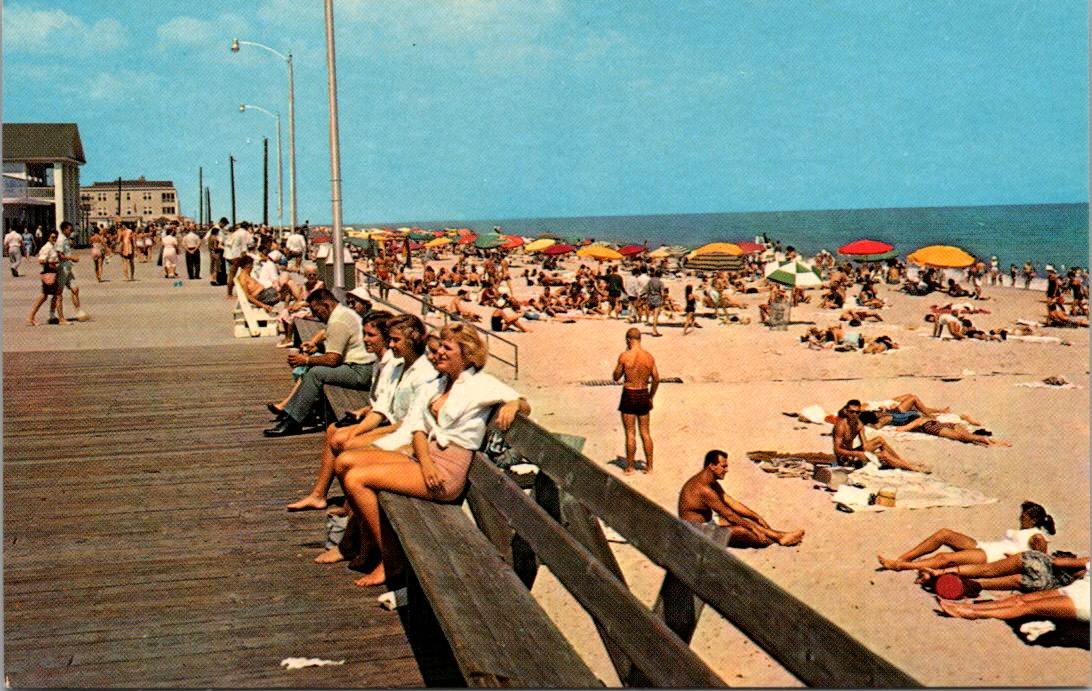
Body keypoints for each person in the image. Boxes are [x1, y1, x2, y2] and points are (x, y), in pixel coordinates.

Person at [336, 322, 530, 586]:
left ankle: (391, 560)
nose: (439, 353)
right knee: (345, 461)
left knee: (356, 479)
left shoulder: (481, 385)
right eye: (439, 348)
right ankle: (368, 544)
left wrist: (513, 403)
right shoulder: (439, 384)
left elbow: (523, 404)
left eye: (447, 349)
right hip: (426, 461)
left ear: (467, 354)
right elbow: (418, 428)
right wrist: (426, 464)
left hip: (447, 473)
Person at [287, 313, 438, 516]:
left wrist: (357, 434)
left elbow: (410, 422)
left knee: (345, 447)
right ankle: (330, 500)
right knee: (340, 436)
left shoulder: (424, 373)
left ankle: (350, 509)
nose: (391, 345)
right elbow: (382, 407)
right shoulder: (400, 366)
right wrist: (357, 432)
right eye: (390, 339)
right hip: (395, 427)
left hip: (406, 434)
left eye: (396, 340)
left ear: (413, 340)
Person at [264, 288, 375, 437]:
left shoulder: (338, 321)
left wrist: (306, 360)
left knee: (316, 373)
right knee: (315, 370)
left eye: (317, 311)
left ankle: (293, 421)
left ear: (326, 305)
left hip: (360, 371)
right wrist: (317, 347)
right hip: (360, 367)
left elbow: (333, 359)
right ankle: (294, 414)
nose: (316, 316)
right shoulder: (342, 313)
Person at [877, 501, 1056, 571]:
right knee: (944, 533)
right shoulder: (1027, 531)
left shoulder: (1037, 536)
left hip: (994, 557)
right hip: (986, 547)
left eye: (1023, 517)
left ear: (1033, 520)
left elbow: (1042, 562)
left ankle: (902, 566)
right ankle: (904, 558)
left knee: (944, 558)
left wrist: (1013, 560)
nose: (1020, 518)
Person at [678, 450, 805, 547]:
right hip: (696, 534)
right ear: (712, 466)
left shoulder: (708, 481)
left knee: (748, 522)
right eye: (723, 466)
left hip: (707, 524)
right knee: (743, 531)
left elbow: (731, 502)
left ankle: (780, 536)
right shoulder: (704, 489)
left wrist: (755, 516)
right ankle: (775, 539)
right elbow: (729, 515)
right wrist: (753, 528)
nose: (726, 470)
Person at [918, 550, 1087, 595]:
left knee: (987, 570)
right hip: (1048, 586)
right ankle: (967, 586)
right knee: (1007, 582)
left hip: (1039, 564)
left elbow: (1057, 562)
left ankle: (939, 572)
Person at [832, 399, 926, 472]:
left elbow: (865, 445)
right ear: (847, 411)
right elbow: (837, 449)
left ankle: (902, 462)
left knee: (879, 440)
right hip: (844, 460)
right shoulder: (840, 426)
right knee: (884, 455)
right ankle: (912, 468)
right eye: (851, 412)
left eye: (857, 412)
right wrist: (858, 454)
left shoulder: (859, 424)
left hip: (853, 454)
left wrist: (866, 453)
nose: (854, 415)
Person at [613, 327, 659, 474]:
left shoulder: (625, 356)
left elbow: (616, 377)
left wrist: (622, 364)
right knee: (645, 432)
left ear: (628, 340)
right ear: (640, 339)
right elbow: (656, 378)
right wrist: (651, 396)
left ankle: (630, 467)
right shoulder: (649, 357)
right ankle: (649, 466)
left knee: (630, 433)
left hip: (629, 393)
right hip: (643, 393)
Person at [935, 579, 1090, 622]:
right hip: (1079, 587)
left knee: (1027, 606)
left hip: (1085, 600)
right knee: (1018, 599)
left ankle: (971, 613)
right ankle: (967, 606)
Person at [879, 414, 1012, 447]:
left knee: (964, 438)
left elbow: (902, 429)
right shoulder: (925, 418)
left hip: (936, 428)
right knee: (967, 435)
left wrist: (895, 429)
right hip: (947, 424)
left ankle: (990, 441)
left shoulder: (918, 421)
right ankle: (995, 441)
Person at [27, 231, 60, 326]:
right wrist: (51, 263)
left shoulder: (52, 246)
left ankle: (51, 315)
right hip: (48, 273)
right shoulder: (46, 247)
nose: (54, 239)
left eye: (56, 237)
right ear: (48, 237)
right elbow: (41, 260)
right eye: (53, 237)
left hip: (52, 272)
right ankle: (31, 317)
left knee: (54, 295)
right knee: (44, 296)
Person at [54, 222, 86, 321]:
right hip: (62, 268)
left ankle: (79, 312)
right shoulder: (60, 240)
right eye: (70, 230)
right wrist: (72, 258)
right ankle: (57, 316)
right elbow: (59, 255)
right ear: (64, 230)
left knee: (75, 289)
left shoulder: (66, 239)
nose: (71, 232)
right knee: (59, 293)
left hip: (68, 268)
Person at [643, 269, 665, 336]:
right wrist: (663, 300)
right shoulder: (660, 282)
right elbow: (662, 293)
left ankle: (654, 329)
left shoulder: (650, 281)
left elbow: (646, 290)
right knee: (655, 316)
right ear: (660, 275)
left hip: (650, 298)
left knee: (651, 313)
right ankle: (654, 331)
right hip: (657, 298)